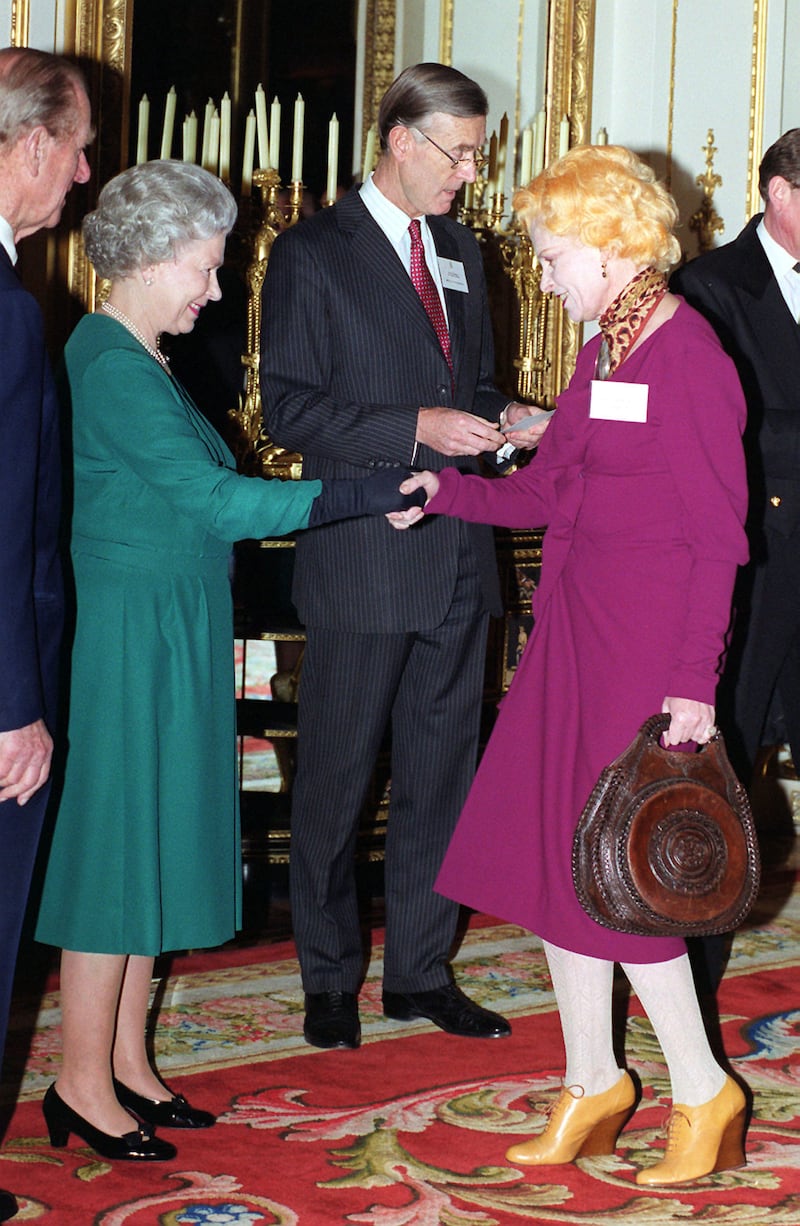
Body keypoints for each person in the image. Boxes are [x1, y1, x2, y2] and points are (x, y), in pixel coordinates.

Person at [32, 159, 421, 1164]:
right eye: (204, 267)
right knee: (116, 853)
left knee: (153, 840)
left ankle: (122, 1059)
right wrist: (360, 493)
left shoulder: (138, 354)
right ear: (154, 258)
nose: (214, 288)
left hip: (167, 620)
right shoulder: (110, 361)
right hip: (127, 633)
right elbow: (222, 503)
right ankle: (78, 1081)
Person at [388, 145, 751, 1186]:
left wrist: (694, 682)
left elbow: (719, 538)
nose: (540, 274)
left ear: (607, 245)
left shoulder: (687, 358)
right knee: (557, 861)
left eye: (550, 255)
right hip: (572, 638)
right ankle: (590, 1078)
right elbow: (551, 493)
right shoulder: (604, 352)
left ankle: (698, 1087)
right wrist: (446, 493)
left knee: (627, 877)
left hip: (646, 653)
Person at [261, 62, 546, 1051]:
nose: (469, 172)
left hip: (460, 554)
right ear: (398, 139)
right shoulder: (312, 251)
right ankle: (328, 977)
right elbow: (288, 407)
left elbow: (467, 381)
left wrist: (505, 416)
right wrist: (412, 424)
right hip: (362, 559)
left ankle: (420, 971)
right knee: (335, 780)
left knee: (443, 778)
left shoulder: (464, 250)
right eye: (456, 152)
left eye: (476, 152)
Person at [0, 46, 92, 1223]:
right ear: (25, 147)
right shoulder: (10, 316)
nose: (81, 171)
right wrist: (14, 705)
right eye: (73, 146)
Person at [671, 130, 800, 787]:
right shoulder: (708, 285)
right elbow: (717, 425)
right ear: (780, 193)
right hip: (760, 547)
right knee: (732, 743)